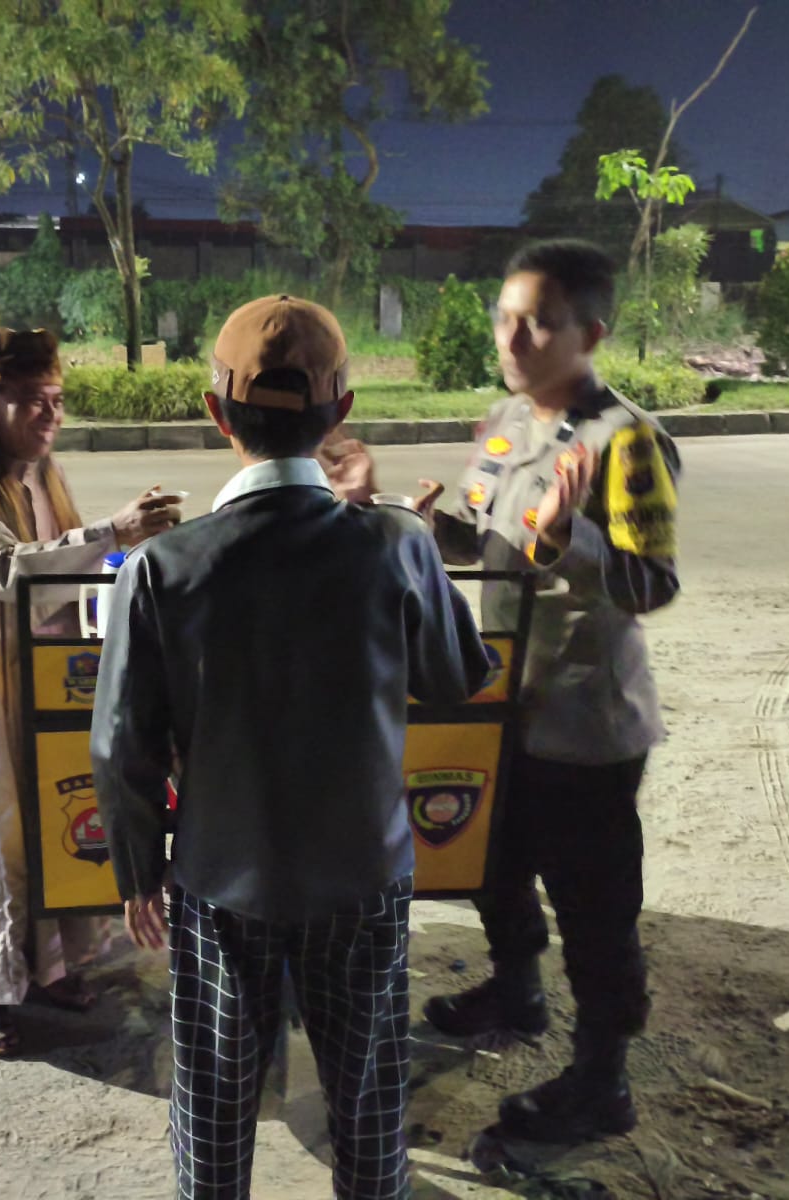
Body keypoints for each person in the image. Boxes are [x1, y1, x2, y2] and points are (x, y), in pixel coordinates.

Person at [91, 295, 490, 1199]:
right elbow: (456, 675)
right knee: (367, 1083)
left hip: (220, 875)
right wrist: (419, 547)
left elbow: (121, 745)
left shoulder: (163, 566)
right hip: (363, 872)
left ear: (215, 412)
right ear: (340, 411)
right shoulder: (394, 543)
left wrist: (138, 871)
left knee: (215, 1089)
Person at [322, 240, 681, 1144]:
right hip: (498, 702)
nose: (513, 339)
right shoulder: (506, 422)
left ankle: (602, 1078)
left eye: (539, 323)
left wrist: (568, 541)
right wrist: (397, 513)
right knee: (495, 860)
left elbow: (652, 584)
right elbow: (485, 544)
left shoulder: (626, 441)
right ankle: (516, 990)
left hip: (584, 721)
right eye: (505, 318)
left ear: (591, 333)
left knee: (595, 905)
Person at [0, 327, 182, 1057]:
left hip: (50, 678)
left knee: (51, 826)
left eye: (58, 400)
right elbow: (4, 570)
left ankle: (49, 969)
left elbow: (71, 572)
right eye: (34, 400)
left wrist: (130, 555)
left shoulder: (42, 474)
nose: (50, 414)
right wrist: (110, 531)